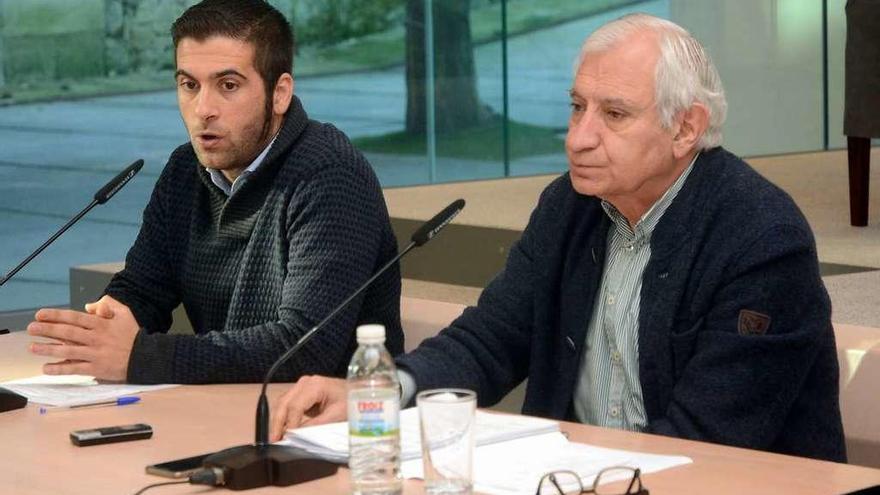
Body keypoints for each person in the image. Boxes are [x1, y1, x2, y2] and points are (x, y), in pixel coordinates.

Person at [270, 13, 846, 462]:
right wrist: (380, 394)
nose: (578, 138)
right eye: (576, 108)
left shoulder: (761, 238)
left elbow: (710, 443)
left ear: (686, 128)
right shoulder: (570, 205)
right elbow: (492, 338)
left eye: (614, 115)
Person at [26, 0, 403, 384]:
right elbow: (144, 288)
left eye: (228, 86)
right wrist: (108, 323)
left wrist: (142, 356)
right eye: (189, 85)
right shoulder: (184, 171)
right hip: (221, 408)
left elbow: (303, 347)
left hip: (328, 426)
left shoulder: (329, 174)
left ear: (280, 93)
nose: (203, 108)